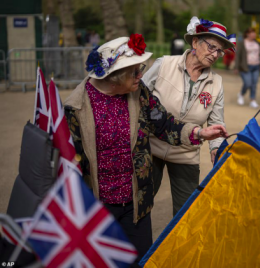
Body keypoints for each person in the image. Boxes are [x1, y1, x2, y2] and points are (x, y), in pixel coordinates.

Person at [64, 34, 228, 264]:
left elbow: (163, 123)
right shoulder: (76, 108)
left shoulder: (139, 93)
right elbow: (69, 166)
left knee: (138, 259)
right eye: (135, 71)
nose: (141, 75)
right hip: (98, 205)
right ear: (114, 76)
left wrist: (199, 133)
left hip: (135, 202)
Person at [142, 17, 236, 216]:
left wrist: (216, 149)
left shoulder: (216, 82)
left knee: (187, 215)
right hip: (151, 145)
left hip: (186, 153)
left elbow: (217, 122)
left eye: (219, 51)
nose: (215, 54)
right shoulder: (164, 64)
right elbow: (138, 96)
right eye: (211, 47)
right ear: (195, 42)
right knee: (139, 206)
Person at [236, 28, 260, 109]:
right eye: (252, 33)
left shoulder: (257, 42)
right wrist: (236, 67)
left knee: (254, 84)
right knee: (248, 83)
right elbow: (238, 55)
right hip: (245, 67)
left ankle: (252, 100)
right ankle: (241, 94)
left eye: (254, 33)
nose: (254, 34)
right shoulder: (242, 43)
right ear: (247, 34)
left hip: (256, 66)